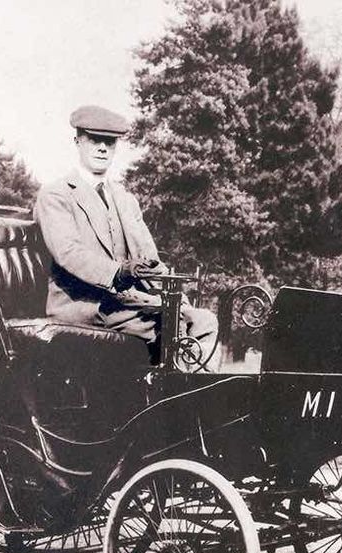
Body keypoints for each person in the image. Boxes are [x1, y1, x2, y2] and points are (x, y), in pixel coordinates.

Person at [33, 104, 218, 369]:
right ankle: (177, 398)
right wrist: (117, 273)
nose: (102, 148)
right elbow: (68, 252)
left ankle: (194, 398)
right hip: (87, 305)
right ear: (78, 141)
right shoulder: (56, 195)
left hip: (128, 304)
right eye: (94, 139)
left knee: (203, 321)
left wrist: (176, 295)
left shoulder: (125, 199)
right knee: (169, 326)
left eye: (109, 142)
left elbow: (149, 259)